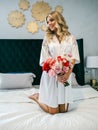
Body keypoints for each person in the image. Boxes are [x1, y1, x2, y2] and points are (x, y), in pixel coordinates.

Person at [29, 11, 80, 114]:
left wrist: (67, 74)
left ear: (59, 20)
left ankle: (51, 98)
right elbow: (44, 60)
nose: (49, 23)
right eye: (47, 22)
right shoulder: (47, 38)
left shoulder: (71, 38)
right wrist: (56, 73)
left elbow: (73, 58)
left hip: (66, 76)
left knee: (64, 110)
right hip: (51, 75)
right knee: (53, 112)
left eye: (51, 20)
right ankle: (37, 97)